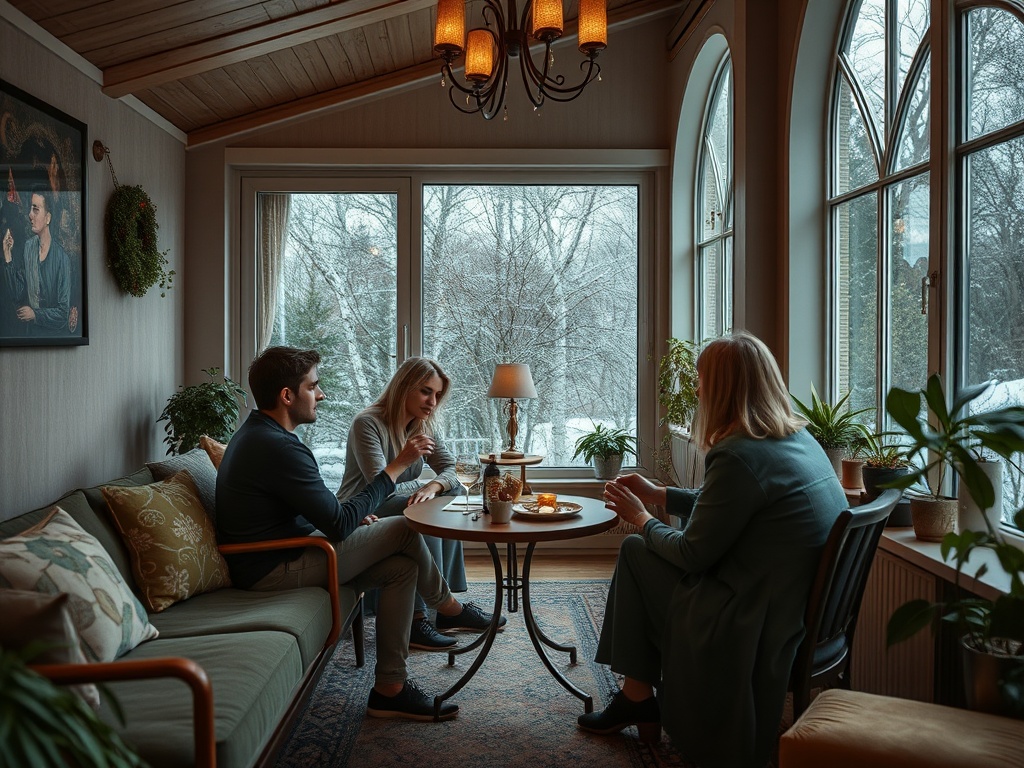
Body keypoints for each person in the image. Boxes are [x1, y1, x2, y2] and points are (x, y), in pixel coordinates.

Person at [577, 332, 846, 768]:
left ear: (721, 388)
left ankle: (637, 696)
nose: (697, 389)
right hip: (800, 612)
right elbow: (732, 506)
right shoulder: (796, 439)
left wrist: (643, 517)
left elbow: (692, 554)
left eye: (702, 379)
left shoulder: (739, 454)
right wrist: (662, 494)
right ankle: (636, 696)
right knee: (641, 554)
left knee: (635, 550)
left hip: (755, 622)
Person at [216, 346, 501, 722]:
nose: (322, 394)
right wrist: (396, 467)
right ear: (287, 396)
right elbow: (338, 520)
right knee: (403, 527)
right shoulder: (277, 447)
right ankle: (449, 607)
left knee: (401, 567)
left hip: (291, 550)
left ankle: (390, 689)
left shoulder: (265, 436)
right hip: (273, 569)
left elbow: (312, 516)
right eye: (313, 387)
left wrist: (347, 519)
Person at [336, 357, 491, 650]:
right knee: (425, 508)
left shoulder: (423, 425)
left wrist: (434, 485)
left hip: (401, 500)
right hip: (361, 508)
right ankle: (417, 619)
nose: (432, 401)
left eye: (437, 395)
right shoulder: (367, 423)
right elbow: (378, 483)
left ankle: (442, 608)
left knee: (446, 495)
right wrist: (422, 486)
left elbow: (453, 471)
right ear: (403, 387)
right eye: (425, 391)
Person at [1, 185, 71, 336]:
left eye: (36, 209)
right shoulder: (29, 247)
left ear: (48, 218)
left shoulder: (62, 259)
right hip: (30, 334)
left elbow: (63, 313)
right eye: (30, 209)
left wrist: (35, 314)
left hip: (53, 337)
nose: (30, 215)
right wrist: (7, 255)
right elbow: (17, 293)